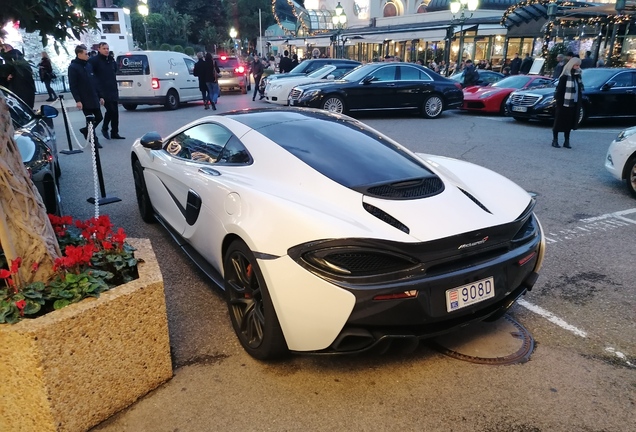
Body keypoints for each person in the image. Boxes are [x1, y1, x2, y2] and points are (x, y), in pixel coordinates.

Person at [68, 44, 104, 148]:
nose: (87, 55)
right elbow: (73, 86)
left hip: (93, 96)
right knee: (90, 120)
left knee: (99, 117)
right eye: (85, 53)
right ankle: (94, 140)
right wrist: (78, 100)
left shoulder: (88, 65)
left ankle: (85, 131)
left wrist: (100, 96)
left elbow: (95, 81)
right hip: (84, 98)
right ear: (79, 54)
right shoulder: (73, 67)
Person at [89, 42, 124, 140]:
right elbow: (92, 76)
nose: (106, 50)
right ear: (99, 49)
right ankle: (104, 128)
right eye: (104, 48)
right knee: (110, 110)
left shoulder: (111, 60)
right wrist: (98, 93)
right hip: (102, 91)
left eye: (107, 48)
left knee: (115, 112)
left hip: (112, 89)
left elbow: (114, 71)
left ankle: (115, 132)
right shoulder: (94, 61)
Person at [552, 57, 583, 149]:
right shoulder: (564, 77)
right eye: (576, 65)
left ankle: (566, 140)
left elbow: (579, 90)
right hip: (563, 103)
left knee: (569, 122)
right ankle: (555, 140)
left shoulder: (578, 77)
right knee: (559, 121)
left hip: (574, 103)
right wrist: (559, 103)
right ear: (571, 65)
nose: (578, 67)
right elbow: (559, 91)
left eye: (579, 65)